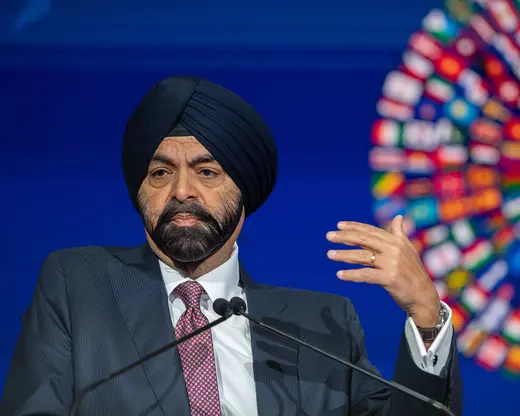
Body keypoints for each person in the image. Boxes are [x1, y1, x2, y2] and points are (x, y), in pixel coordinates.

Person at [0, 76, 462, 416]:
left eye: (207, 172)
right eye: (160, 173)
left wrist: (426, 314)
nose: (181, 191)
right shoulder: (79, 284)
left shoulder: (322, 325)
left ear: (244, 196)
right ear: (138, 191)